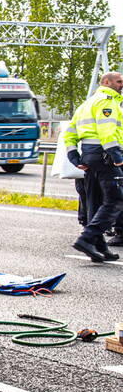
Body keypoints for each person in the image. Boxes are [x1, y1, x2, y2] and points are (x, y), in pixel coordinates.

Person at [63, 71, 123, 262]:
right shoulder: (108, 101)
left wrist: (74, 156)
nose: (122, 85)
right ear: (106, 82)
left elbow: (69, 133)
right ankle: (86, 239)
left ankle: (100, 246)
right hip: (105, 155)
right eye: (119, 81)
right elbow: (107, 131)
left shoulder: (86, 103)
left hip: (89, 156)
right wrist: (117, 156)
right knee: (116, 199)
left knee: (94, 201)